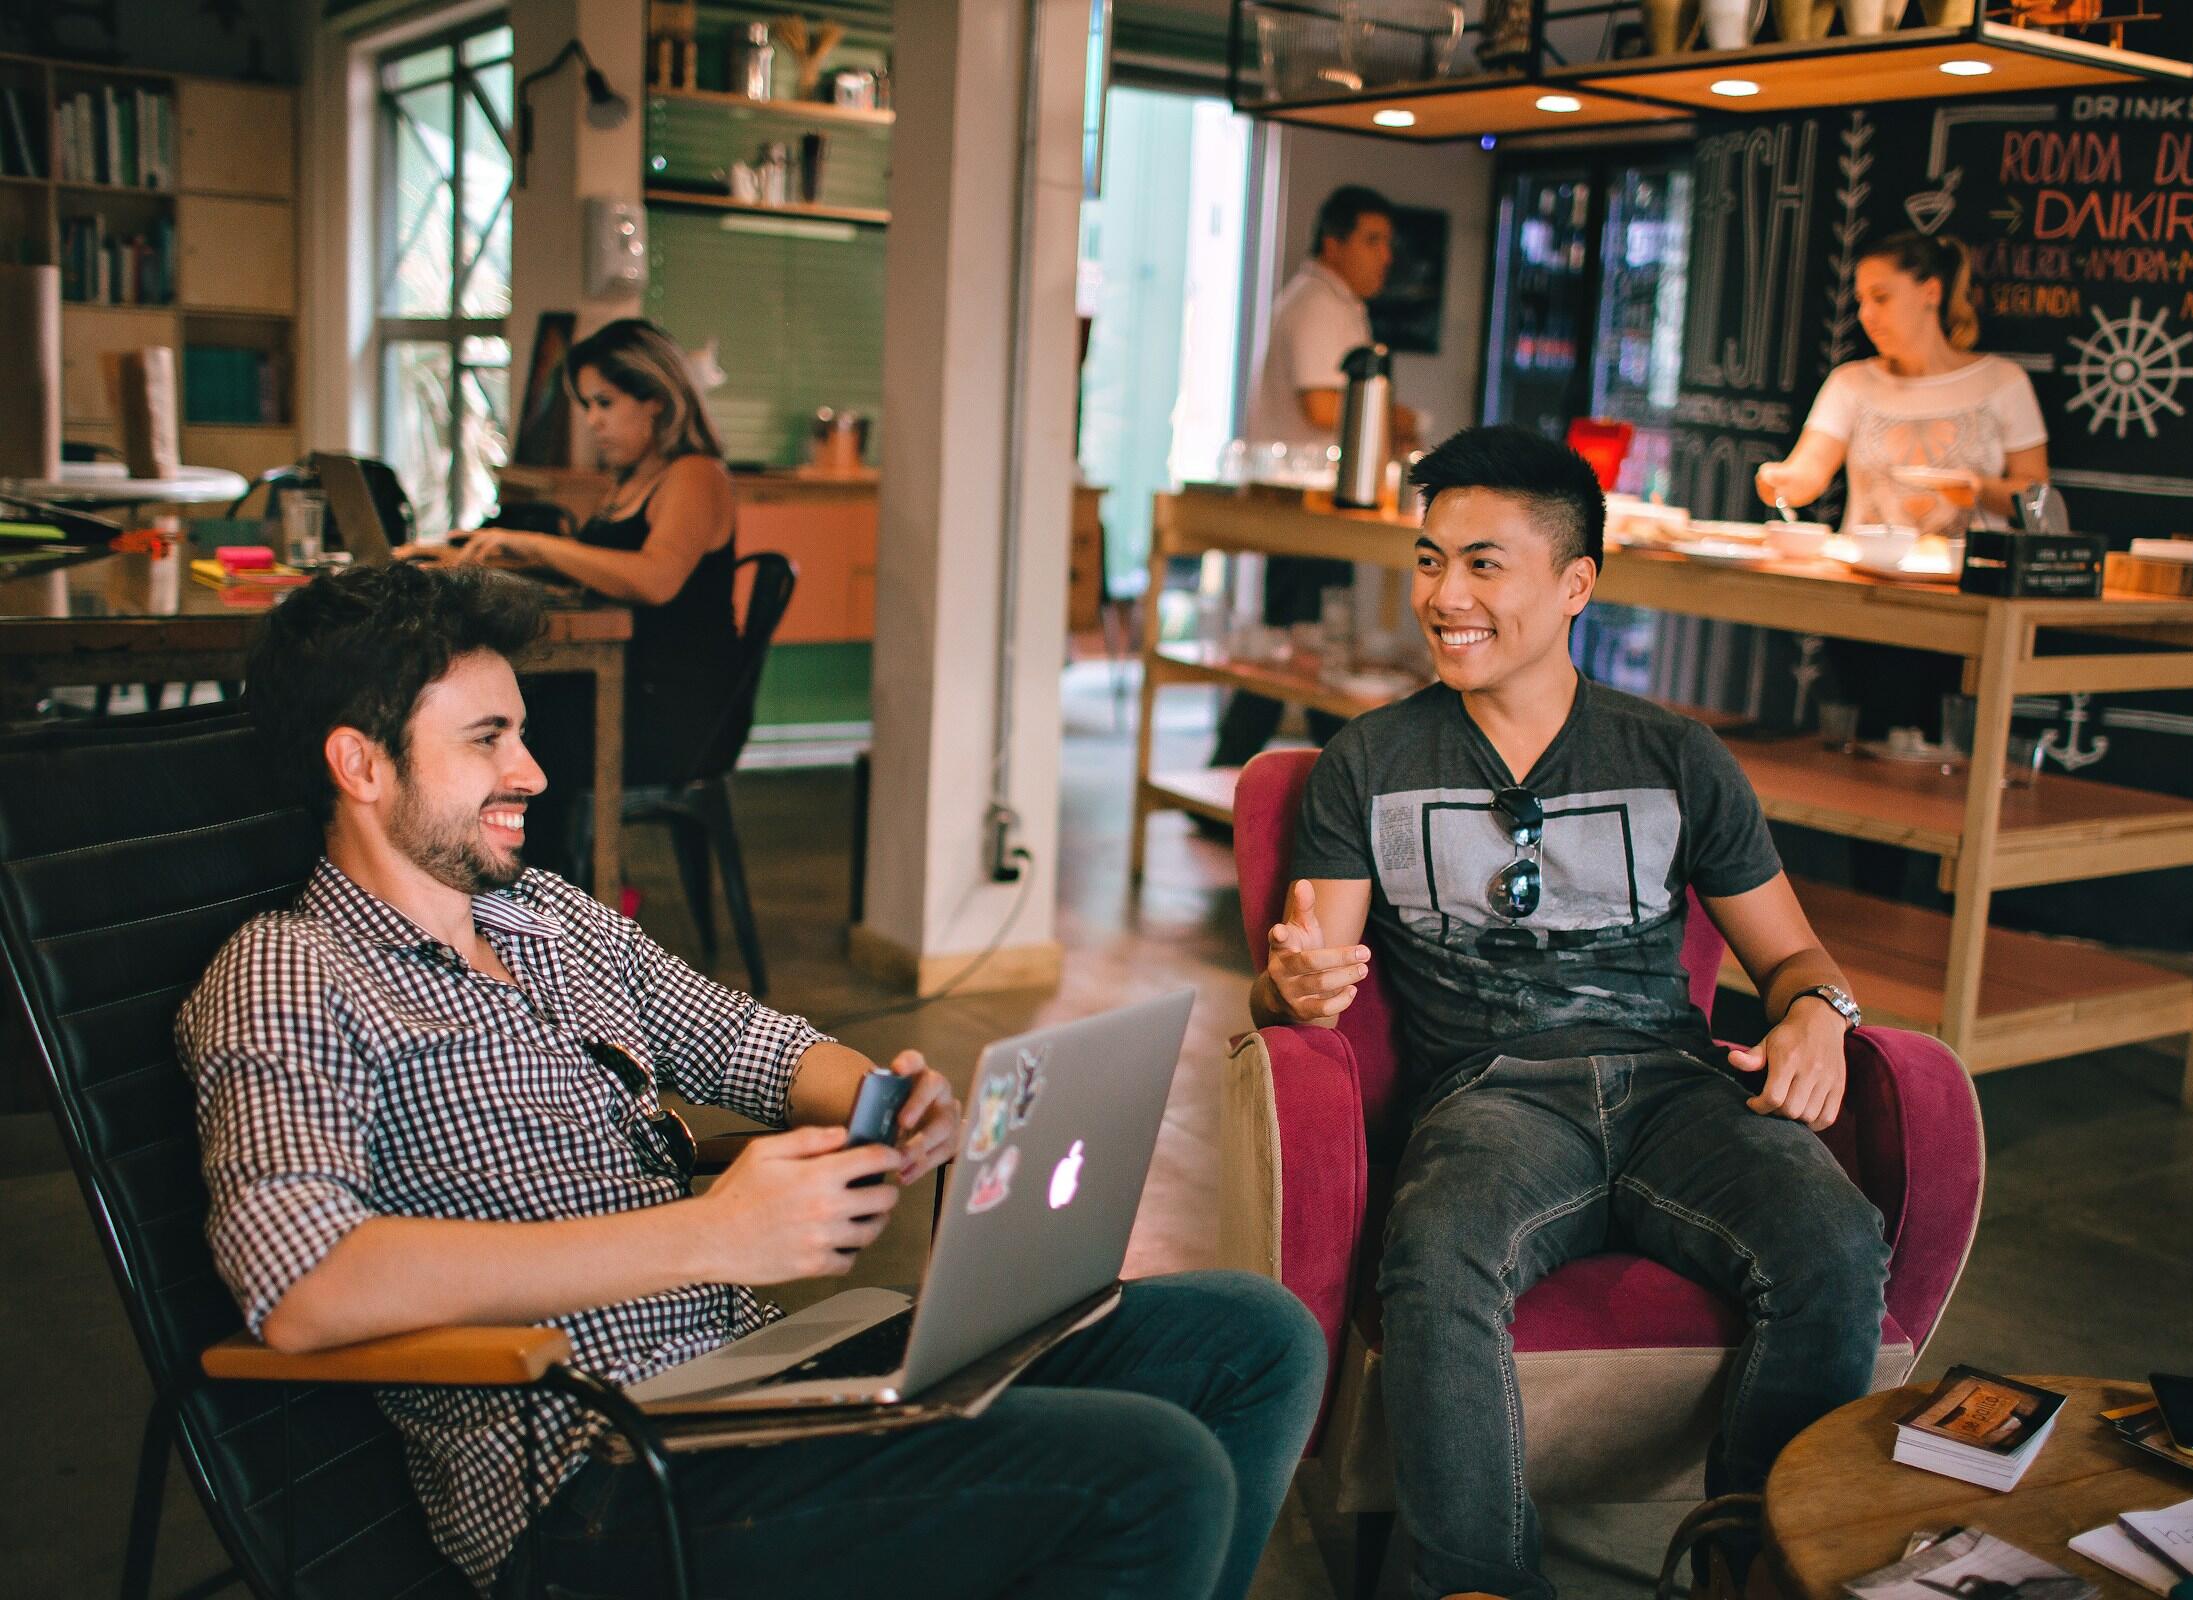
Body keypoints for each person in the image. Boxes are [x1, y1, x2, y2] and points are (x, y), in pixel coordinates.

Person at [178, 561, 1326, 1598]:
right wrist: (710, 1238)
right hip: (596, 1477)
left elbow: (756, 1045)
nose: (530, 768)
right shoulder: (290, 971)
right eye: (486, 738)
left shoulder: (546, 919)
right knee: (1150, 1474)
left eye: (520, 731)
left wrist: (884, 1101)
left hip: (755, 1387)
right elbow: (304, 1283)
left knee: (1254, 1337)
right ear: (360, 762)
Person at [1254, 426, 1889, 1600]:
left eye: (1484, 564)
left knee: (1835, 1240)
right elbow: (1308, 966)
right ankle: (1477, 1584)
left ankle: (1751, 1566)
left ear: (1575, 583)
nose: (1445, 597)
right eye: (1429, 560)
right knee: (1437, 1250)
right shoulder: (1369, 761)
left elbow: (1794, 953)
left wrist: (1821, 1014)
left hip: (1677, 1087)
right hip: (1492, 1096)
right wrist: (1288, 988)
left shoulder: (1676, 756)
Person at [422, 318, 745, 872]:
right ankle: (500, 889)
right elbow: (600, 573)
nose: (592, 421)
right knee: (498, 716)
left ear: (658, 403)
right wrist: (489, 554)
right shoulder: (633, 479)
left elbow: (654, 577)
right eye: (587, 405)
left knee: (513, 733)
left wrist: (536, 546)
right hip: (625, 683)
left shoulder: (696, 475)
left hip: (671, 710)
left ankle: (538, 903)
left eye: (604, 403)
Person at [1210, 185, 1421, 773]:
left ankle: (1305, 777)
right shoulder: (1317, 304)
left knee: (1306, 647)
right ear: (1334, 242)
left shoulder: (1335, 303)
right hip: (1306, 506)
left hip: (1321, 506)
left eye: (1388, 244)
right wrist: (1400, 418)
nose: (1385, 256)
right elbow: (1324, 407)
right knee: (1303, 651)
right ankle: (1262, 777)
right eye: (1372, 240)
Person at [1755, 232, 2049, 538]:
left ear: (1931, 292)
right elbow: (1810, 469)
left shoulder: (2003, 381)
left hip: (1965, 577)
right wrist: (1782, 480)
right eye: (1861, 301)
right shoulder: (1850, 382)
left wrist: (1979, 489)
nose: (1866, 315)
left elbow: (2036, 496)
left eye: (1881, 298)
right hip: (1864, 573)